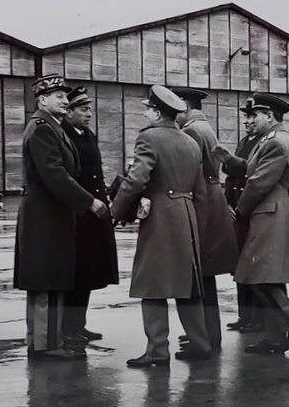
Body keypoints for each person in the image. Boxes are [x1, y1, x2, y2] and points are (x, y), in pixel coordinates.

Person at [110, 85, 212, 367]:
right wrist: (197, 224)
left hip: (160, 217)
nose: (145, 114)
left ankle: (157, 349)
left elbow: (137, 179)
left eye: (147, 109)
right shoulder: (190, 142)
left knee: (152, 283)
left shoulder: (149, 139)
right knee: (188, 284)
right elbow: (201, 191)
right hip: (186, 215)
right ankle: (200, 343)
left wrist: (115, 210)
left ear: (156, 112)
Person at [13, 74, 104, 361]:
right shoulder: (42, 129)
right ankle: (48, 345)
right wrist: (88, 202)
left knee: (51, 280)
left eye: (66, 97)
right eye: (59, 97)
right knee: (47, 282)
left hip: (51, 214)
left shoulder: (51, 126)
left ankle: (45, 340)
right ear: (42, 99)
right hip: (45, 215)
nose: (65, 101)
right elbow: (55, 173)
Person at [213, 92, 289, 355]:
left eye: (255, 115)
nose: (251, 120)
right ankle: (275, 335)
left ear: (269, 116)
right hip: (272, 212)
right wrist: (231, 162)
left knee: (256, 274)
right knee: (268, 275)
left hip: (271, 213)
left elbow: (258, 182)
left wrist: (240, 210)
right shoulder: (270, 140)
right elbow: (251, 169)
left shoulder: (275, 142)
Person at [172, 87, 239, 352]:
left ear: (184, 106)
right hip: (214, 201)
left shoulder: (190, 131)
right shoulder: (205, 127)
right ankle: (210, 334)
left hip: (202, 204)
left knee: (197, 275)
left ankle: (204, 336)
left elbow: (188, 173)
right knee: (206, 275)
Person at [60, 86, 120, 347]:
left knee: (88, 273)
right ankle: (68, 328)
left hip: (94, 211)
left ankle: (78, 325)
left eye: (89, 110)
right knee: (76, 274)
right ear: (69, 112)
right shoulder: (63, 136)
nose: (88, 114)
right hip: (78, 212)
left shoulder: (87, 135)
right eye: (83, 110)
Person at [219, 98, 264, 333]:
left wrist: (230, 162)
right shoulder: (245, 141)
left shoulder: (262, 143)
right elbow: (231, 177)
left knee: (252, 266)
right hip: (238, 210)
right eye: (245, 117)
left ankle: (257, 318)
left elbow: (247, 171)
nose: (247, 122)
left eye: (251, 117)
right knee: (239, 265)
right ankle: (244, 315)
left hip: (250, 210)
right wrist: (226, 202)